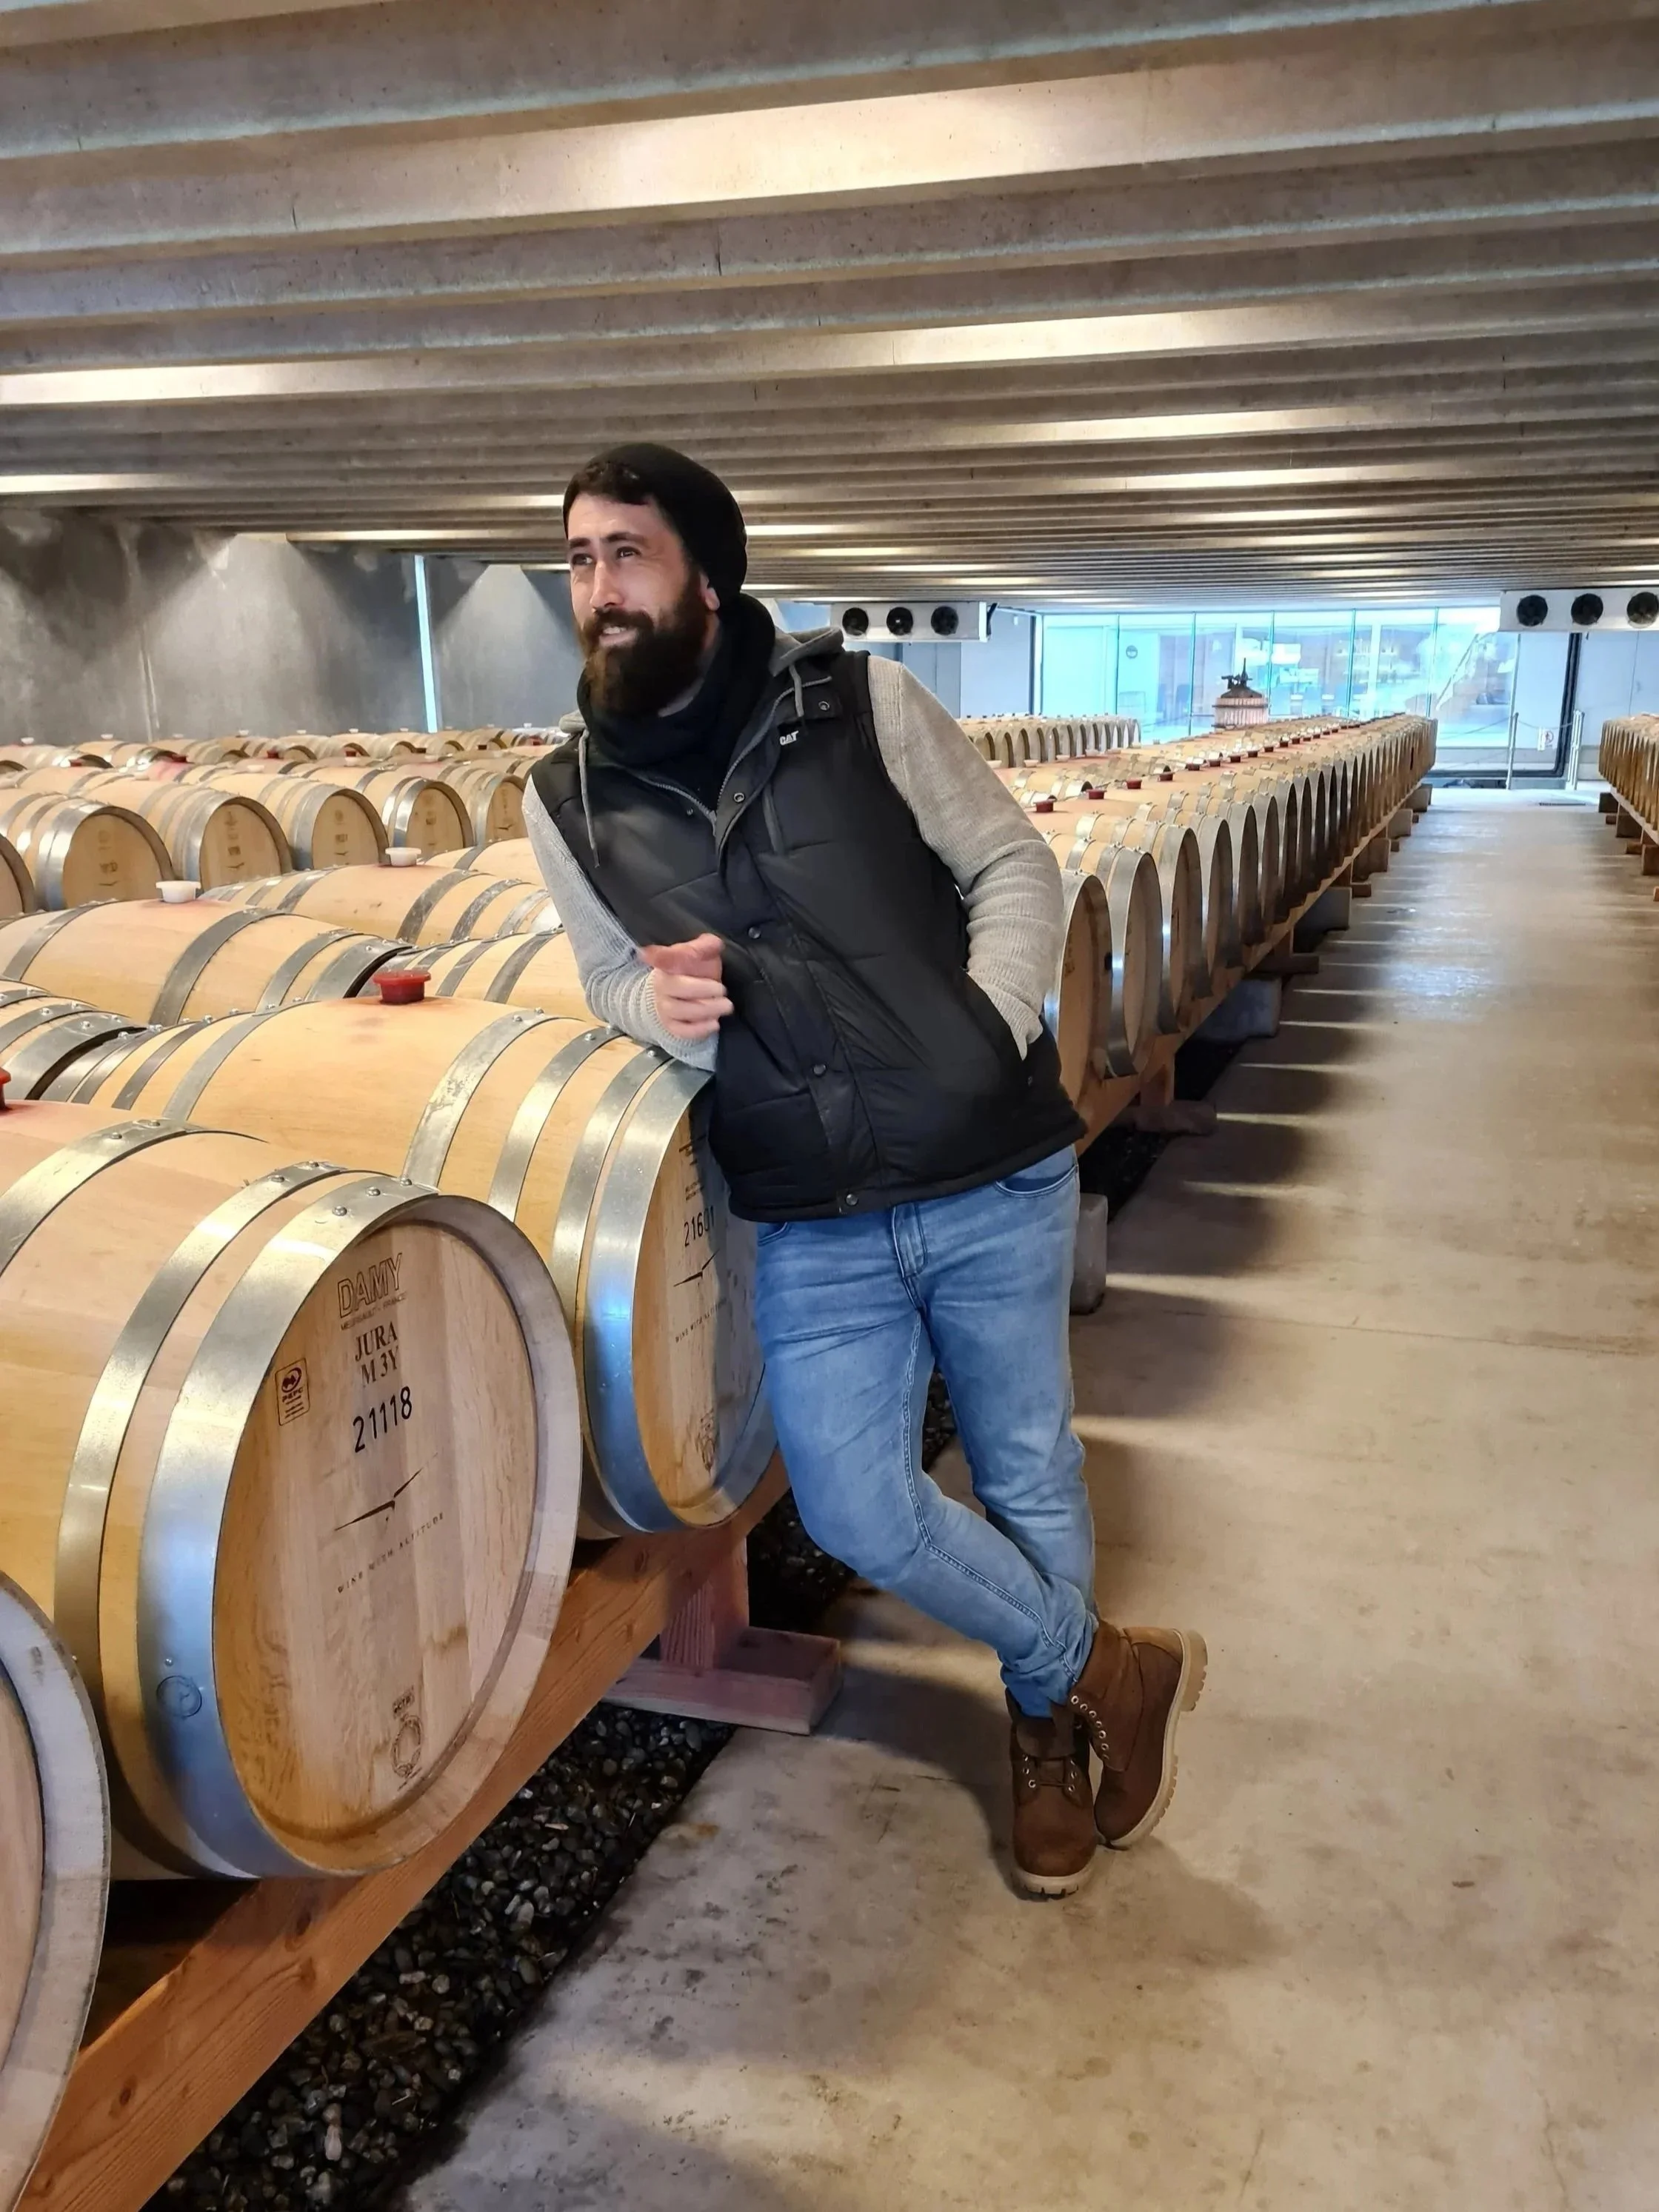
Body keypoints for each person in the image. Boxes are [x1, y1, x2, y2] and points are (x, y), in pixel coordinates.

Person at [524, 444, 1205, 1898]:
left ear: (706, 576)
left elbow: (1012, 869)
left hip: (987, 1171)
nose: (597, 586)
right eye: (578, 558)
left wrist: (989, 1023)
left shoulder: (859, 700)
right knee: (847, 1502)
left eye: (624, 553)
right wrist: (661, 1009)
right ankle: (1095, 1664)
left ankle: (1045, 1740)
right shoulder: (566, 798)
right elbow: (602, 977)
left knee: (1026, 1463)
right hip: (811, 1208)